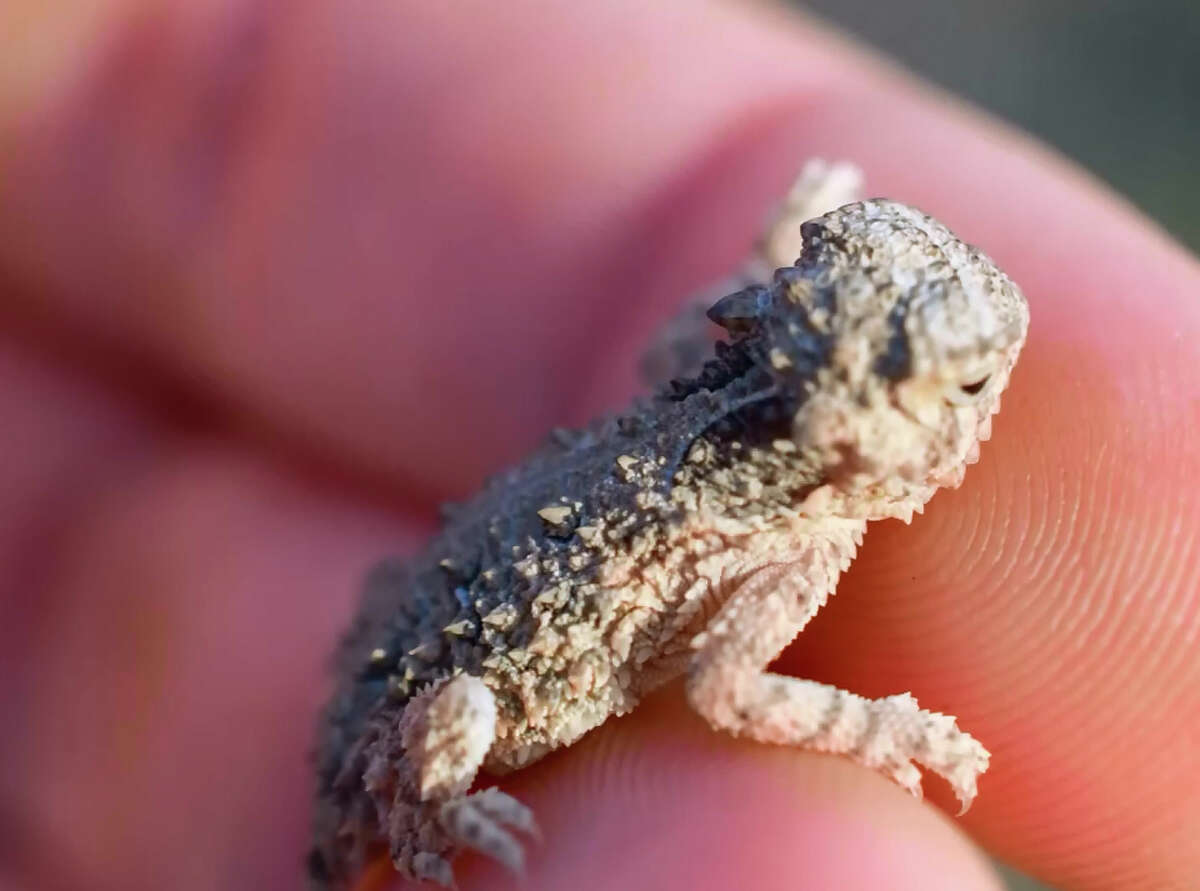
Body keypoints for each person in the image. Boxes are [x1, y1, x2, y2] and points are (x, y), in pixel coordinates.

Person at [1, 2, 1196, 889]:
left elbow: (683, 342)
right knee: (455, 730)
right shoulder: (787, 534)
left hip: (442, 583)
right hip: (461, 685)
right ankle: (404, 811)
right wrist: (882, 729)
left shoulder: (749, 443)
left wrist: (761, 251)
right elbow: (729, 691)